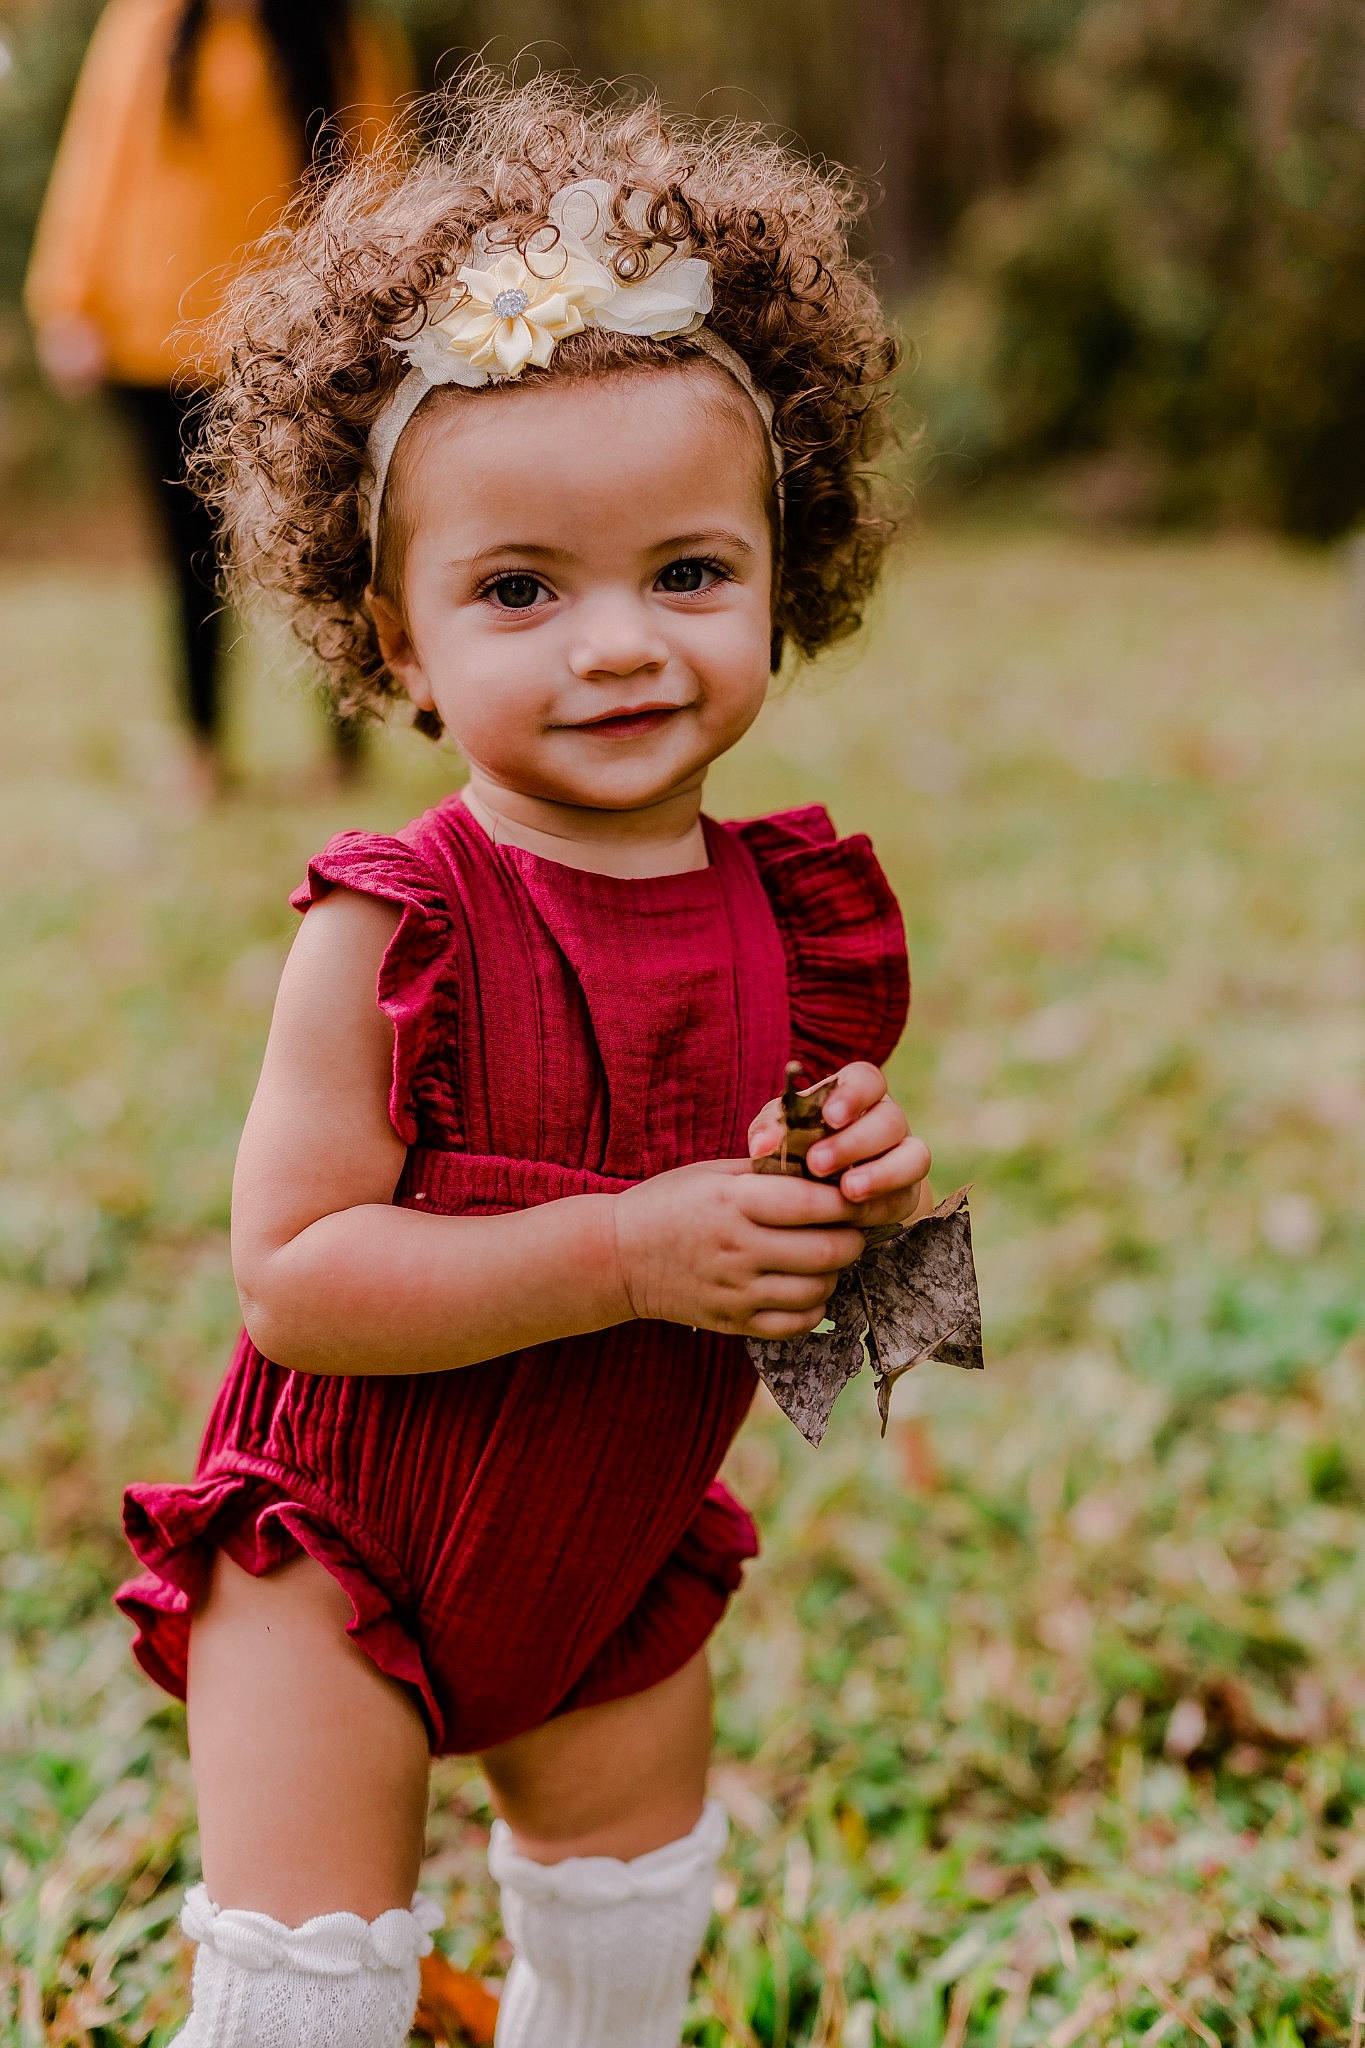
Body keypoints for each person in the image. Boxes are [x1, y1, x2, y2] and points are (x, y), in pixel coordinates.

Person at [115, 68, 932, 2048]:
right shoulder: (397, 922)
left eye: (685, 572)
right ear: (396, 643)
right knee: (309, 1986)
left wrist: (849, 1212)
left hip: (608, 1543)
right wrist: (627, 1254)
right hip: (346, 1550)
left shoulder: (796, 921)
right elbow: (294, 1281)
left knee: (625, 1932)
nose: (617, 645)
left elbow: (805, 1302)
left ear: (779, 565)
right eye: (515, 591)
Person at [23, 0, 412, 801]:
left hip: (303, 336)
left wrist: (390, 301)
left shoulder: (341, 30)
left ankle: (343, 743)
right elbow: (99, 152)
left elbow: (381, 168)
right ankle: (200, 747)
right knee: (188, 555)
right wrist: (66, 295)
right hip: (157, 332)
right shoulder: (150, 20)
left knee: (331, 542)